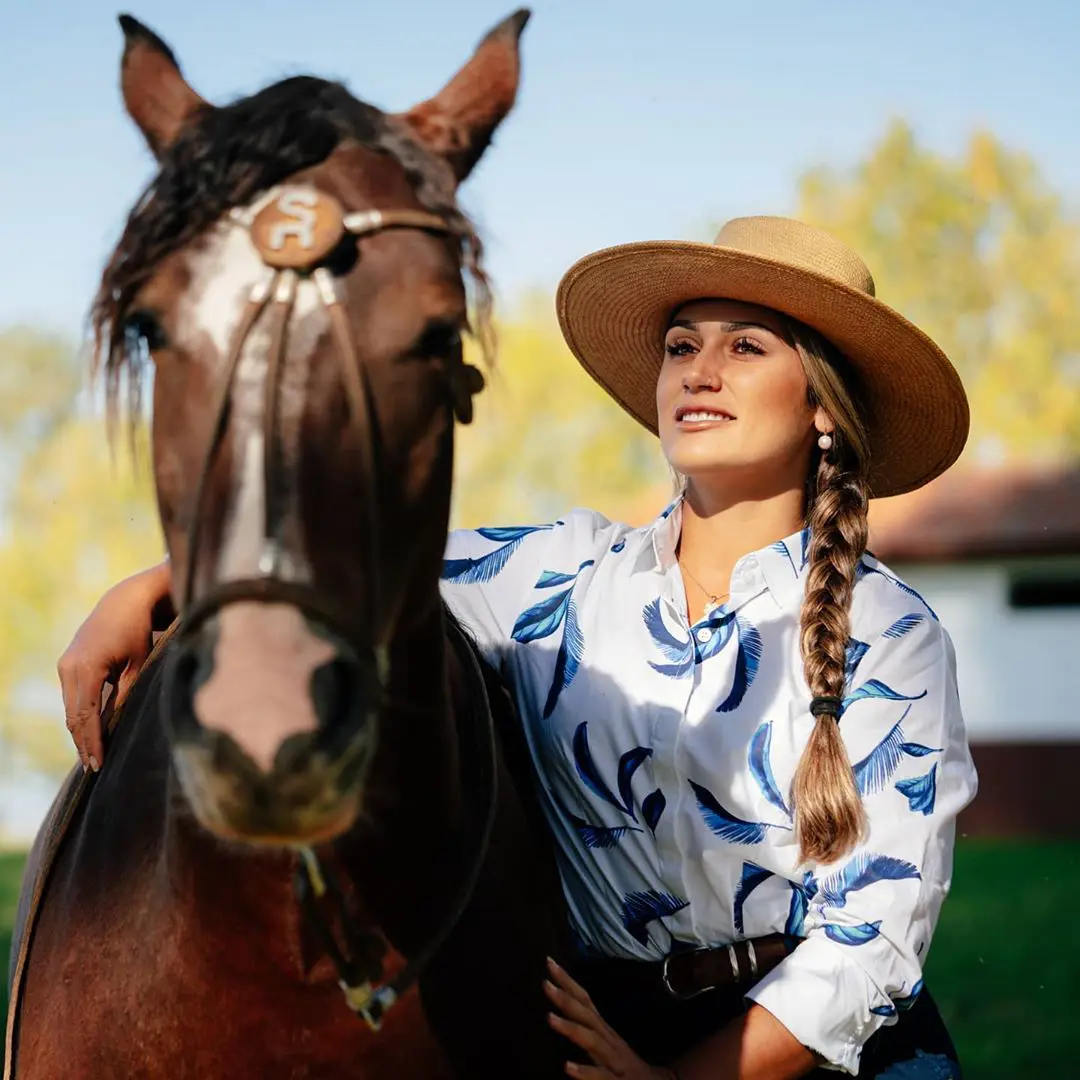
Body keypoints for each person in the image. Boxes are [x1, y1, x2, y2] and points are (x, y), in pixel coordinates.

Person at [59, 216, 977, 1079]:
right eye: (682, 345)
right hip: (593, 1029)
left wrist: (676, 1079)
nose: (701, 369)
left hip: (819, 1050)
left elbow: (879, 933)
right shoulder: (558, 576)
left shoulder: (892, 637)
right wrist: (150, 584)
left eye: (746, 346)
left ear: (822, 406)